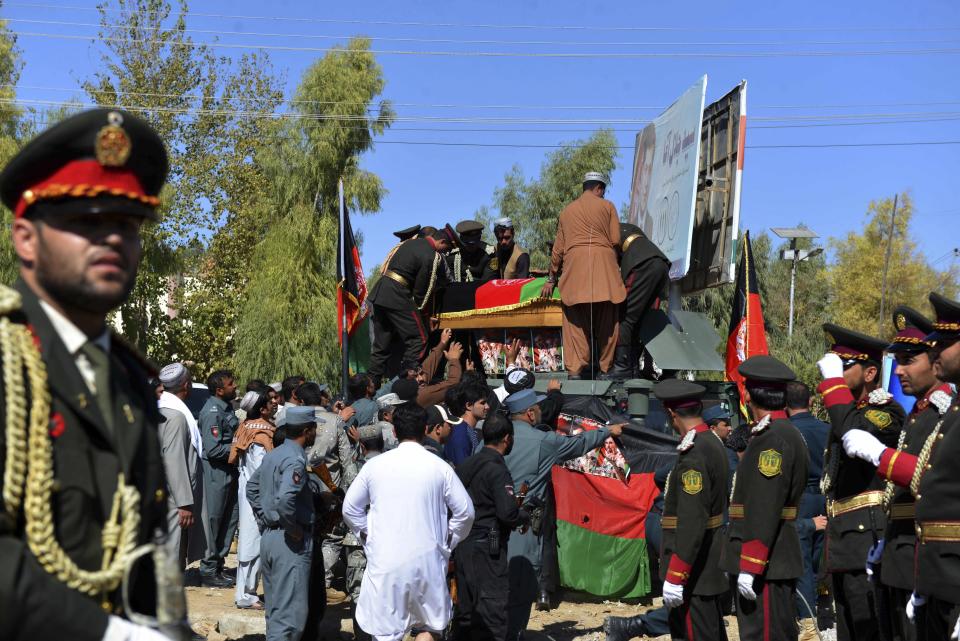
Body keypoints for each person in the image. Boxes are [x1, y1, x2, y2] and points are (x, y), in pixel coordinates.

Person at [0, 108, 173, 640]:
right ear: (26, 238)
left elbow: (146, 551)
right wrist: (108, 634)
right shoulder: (9, 359)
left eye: (126, 223)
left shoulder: (126, 377)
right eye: (86, 221)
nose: (113, 239)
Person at [841, 292, 960, 641]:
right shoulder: (941, 412)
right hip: (928, 563)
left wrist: (880, 455)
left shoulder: (943, 410)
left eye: (945, 343)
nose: (936, 352)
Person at [607, 380, 729, 641]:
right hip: (708, 560)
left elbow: (692, 520)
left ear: (671, 414)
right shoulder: (713, 442)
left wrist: (677, 573)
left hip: (695, 569)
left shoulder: (694, 453)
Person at [342, 403, 475, 641]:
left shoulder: (374, 466)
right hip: (428, 561)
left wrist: (367, 535)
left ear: (393, 432)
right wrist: (448, 540)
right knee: (430, 627)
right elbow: (466, 513)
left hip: (386, 561)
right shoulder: (440, 467)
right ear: (425, 429)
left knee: (386, 632)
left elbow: (351, 509)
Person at [503, 388, 624, 639]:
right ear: (529, 413)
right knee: (522, 587)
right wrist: (606, 432)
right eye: (537, 407)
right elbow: (577, 444)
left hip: (492, 526)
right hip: (523, 526)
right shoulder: (543, 441)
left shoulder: (493, 437)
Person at [816, 324, 906, 641]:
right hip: (843, 540)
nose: (836, 374)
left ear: (869, 373)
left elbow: (852, 432)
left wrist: (833, 386)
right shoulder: (849, 412)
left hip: (867, 539)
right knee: (849, 629)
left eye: (844, 366)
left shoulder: (886, 411)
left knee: (870, 628)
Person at [721, 355, 808, 641]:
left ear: (747, 394)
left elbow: (764, 504)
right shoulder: (778, 433)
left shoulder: (772, 438)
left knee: (765, 634)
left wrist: (751, 563)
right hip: (770, 556)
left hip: (767, 560)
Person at [540, 172, 626, 379]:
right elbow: (615, 239)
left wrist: (552, 278)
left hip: (574, 271)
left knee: (574, 323)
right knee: (608, 320)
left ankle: (575, 370)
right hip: (604, 270)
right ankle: (606, 369)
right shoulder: (608, 206)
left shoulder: (567, 211)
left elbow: (558, 250)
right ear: (599, 188)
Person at [246, 405, 319, 641]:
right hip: (290, 542)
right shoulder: (295, 459)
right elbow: (286, 498)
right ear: (307, 431)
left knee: (277, 613)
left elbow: (252, 488)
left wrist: (265, 517)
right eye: (315, 429)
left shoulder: (275, 454)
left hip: (270, 538)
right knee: (290, 619)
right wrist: (292, 528)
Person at [455, 413, 530, 641]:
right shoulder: (497, 469)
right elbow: (507, 513)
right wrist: (524, 515)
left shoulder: (468, 464)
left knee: (466, 613)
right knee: (492, 613)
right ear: (507, 438)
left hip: (463, 546)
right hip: (488, 550)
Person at [368, 226, 456, 384]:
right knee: (419, 339)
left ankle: (370, 386)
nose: (444, 252)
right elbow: (421, 292)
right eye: (446, 248)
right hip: (397, 295)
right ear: (442, 241)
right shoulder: (431, 255)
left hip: (381, 293)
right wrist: (424, 317)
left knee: (381, 347)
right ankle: (406, 382)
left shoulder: (409, 244)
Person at [301, 381, 360, 606]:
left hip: (302, 488)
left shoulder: (290, 419)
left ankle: (306, 583)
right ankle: (322, 585)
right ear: (321, 397)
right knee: (332, 538)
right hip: (330, 489)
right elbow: (346, 460)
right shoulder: (335, 421)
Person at [783, 380, 830, 638]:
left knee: (802, 563)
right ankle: (819, 609)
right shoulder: (827, 429)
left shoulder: (783, 431)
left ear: (785, 404)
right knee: (817, 558)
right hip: (823, 497)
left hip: (798, 499)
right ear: (811, 402)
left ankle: (807, 620)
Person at [229, 391, 277, 610]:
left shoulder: (245, 427)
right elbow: (260, 470)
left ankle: (247, 593)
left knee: (252, 542)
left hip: (248, 492)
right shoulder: (260, 435)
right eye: (270, 402)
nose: (275, 403)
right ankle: (246, 595)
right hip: (256, 497)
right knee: (252, 543)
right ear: (262, 409)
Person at [608, 222, 670, 379]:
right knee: (640, 320)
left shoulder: (606, 230)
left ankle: (622, 367)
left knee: (623, 316)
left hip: (642, 264)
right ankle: (634, 367)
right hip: (660, 263)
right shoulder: (628, 228)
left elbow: (612, 259)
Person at [157, 362, 204, 570]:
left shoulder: (161, 410)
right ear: (186, 385)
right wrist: (184, 503)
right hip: (173, 500)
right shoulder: (175, 416)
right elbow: (174, 460)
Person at [199, 368, 240, 587]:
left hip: (229, 471)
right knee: (214, 520)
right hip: (216, 472)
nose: (235, 386)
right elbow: (213, 449)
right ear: (219, 389)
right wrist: (238, 449)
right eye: (231, 384)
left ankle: (218, 565)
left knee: (230, 518)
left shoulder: (226, 409)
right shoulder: (213, 412)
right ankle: (207, 570)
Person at [445, 382, 490, 465]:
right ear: (469, 405)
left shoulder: (466, 430)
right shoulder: (461, 434)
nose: (487, 407)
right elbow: (463, 469)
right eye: (482, 403)